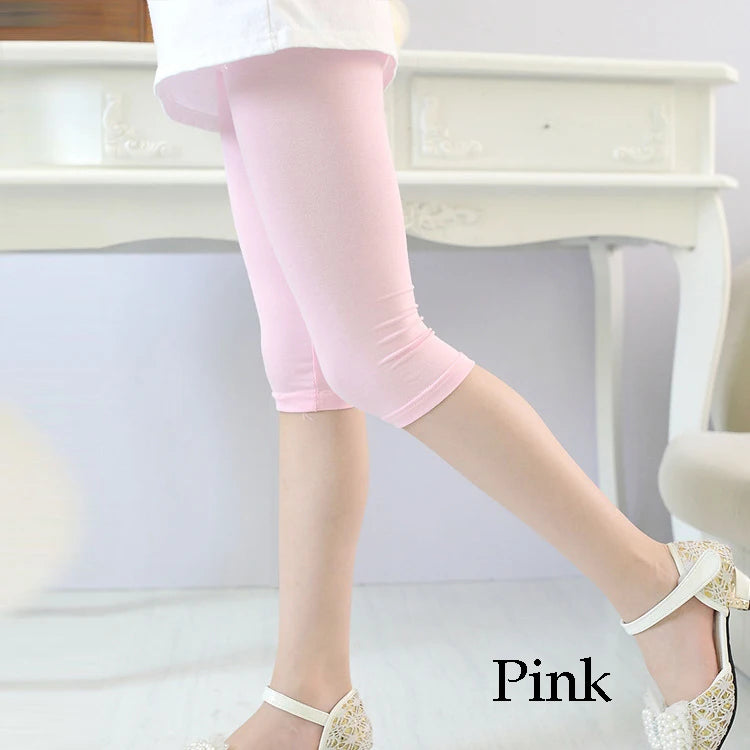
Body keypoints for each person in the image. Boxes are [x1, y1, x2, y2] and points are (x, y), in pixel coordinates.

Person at [145, 3, 749, 748]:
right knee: (305, 372)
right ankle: (308, 696)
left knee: (376, 352)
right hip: (222, 27)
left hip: (282, 18)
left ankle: (658, 587)